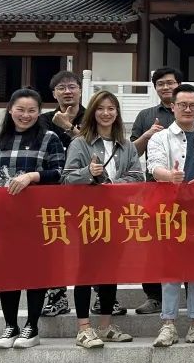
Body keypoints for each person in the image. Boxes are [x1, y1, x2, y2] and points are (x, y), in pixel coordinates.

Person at [0, 88, 65, 350]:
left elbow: (60, 172)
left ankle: (31, 326)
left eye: (32, 110)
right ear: (10, 110)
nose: (25, 115)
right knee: (7, 271)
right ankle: (10, 325)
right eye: (20, 109)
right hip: (5, 215)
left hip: (37, 214)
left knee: (35, 271)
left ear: (39, 113)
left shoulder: (49, 138)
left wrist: (31, 176)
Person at [60, 90, 143, 348]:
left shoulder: (126, 145)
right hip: (88, 215)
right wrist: (88, 172)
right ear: (92, 112)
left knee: (110, 269)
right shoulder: (80, 143)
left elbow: (138, 177)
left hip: (117, 215)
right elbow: (66, 178)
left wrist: (113, 185)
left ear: (117, 113)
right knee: (86, 269)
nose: (106, 113)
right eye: (100, 108)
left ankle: (106, 325)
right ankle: (84, 328)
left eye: (111, 108)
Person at [130, 66, 194, 316]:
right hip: (161, 197)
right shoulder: (146, 116)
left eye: (170, 83)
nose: (166, 87)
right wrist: (168, 173)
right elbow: (137, 154)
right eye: (161, 83)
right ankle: (155, 299)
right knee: (159, 251)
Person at [145, 83, 194, 347]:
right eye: (182, 105)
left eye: (193, 105)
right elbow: (154, 166)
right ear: (173, 107)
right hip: (170, 210)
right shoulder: (160, 138)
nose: (188, 109)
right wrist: (171, 176)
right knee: (171, 268)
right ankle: (168, 324)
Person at [38, 70, 86, 318]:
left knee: (92, 242)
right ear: (54, 93)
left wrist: (68, 127)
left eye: (72, 86)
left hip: (88, 190)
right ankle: (57, 297)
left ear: (80, 90)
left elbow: (97, 148)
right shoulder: (43, 120)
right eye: (61, 88)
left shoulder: (94, 115)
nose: (68, 91)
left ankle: (102, 295)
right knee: (55, 243)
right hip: (54, 190)